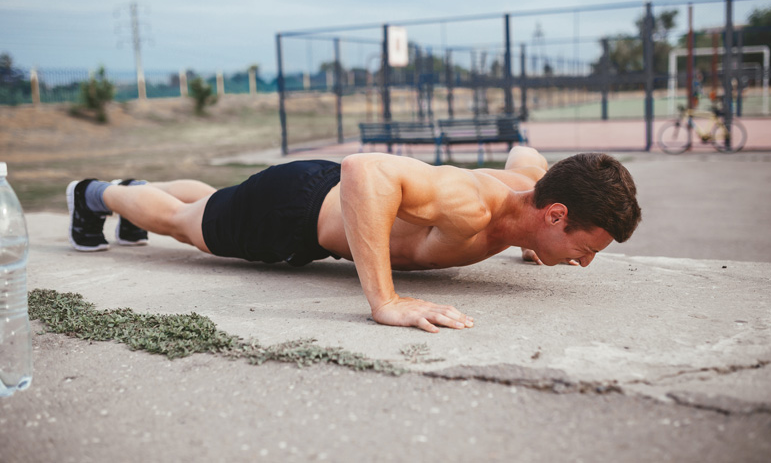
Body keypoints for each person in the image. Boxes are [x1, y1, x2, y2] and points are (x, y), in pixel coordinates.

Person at [66, 147, 641, 333]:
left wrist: (533, 244)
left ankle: (137, 195)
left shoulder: (531, 189)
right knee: (184, 223)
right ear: (556, 214)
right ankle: (95, 195)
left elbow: (525, 153)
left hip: (309, 194)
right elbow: (363, 170)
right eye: (587, 249)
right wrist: (384, 301)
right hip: (292, 214)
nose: (585, 262)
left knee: (210, 203)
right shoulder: (473, 204)